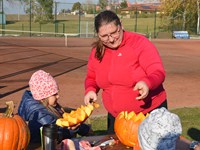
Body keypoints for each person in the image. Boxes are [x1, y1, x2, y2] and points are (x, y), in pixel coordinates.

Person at [84, 10, 167, 134]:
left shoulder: (139, 43)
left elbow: (158, 71)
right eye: (104, 36)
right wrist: (90, 89)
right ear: (98, 34)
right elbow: (92, 76)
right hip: (116, 117)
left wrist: (147, 83)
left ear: (121, 25)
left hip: (148, 114)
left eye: (114, 33)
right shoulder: (97, 52)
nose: (111, 39)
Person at [18, 70, 92, 143]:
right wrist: (74, 129)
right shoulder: (41, 115)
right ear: (43, 97)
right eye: (54, 94)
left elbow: (66, 119)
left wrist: (84, 128)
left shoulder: (49, 105)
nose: (58, 96)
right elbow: (55, 135)